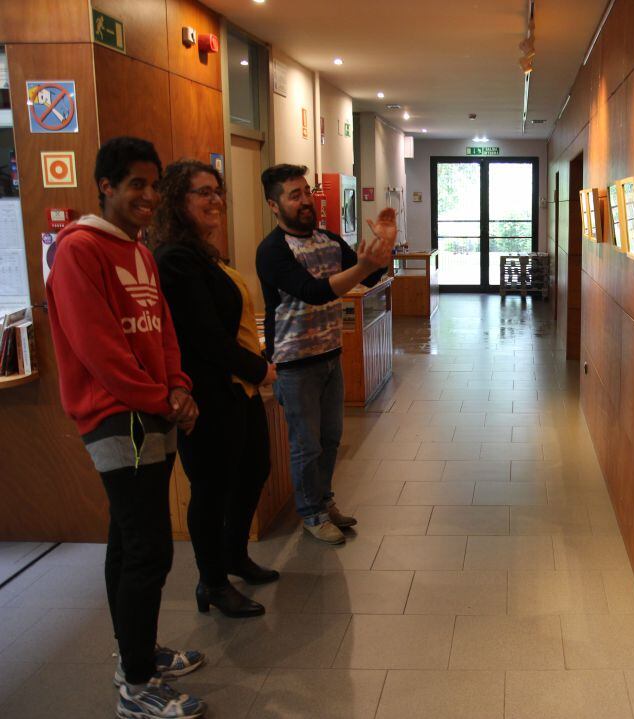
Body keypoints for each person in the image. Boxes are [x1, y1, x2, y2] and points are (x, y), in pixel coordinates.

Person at [45, 137, 206, 719]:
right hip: (117, 417)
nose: (148, 195)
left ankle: (136, 652)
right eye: (136, 183)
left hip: (155, 409)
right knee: (149, 549)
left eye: (154, 184)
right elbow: (99, 349)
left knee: (128, 538)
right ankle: (136, 685)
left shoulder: (138, 249)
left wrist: (178, 384)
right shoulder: (79, 250)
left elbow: (161, 329)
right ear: (106, 186)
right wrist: (162, 397)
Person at [151, 160, 279, 619]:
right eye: (202, 192)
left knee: (253, 469)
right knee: (211, 488)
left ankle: (233, 555)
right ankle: (212, 582)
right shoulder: (174, 259)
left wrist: (252, 371)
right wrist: (260, 368)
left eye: (217, 191)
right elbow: (203, 336)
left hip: (238, 389)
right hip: (206, 394)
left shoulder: (203, 254)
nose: (215, 200)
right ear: (176, 201)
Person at [255, 164, 395, 544]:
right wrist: (364, 265)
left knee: (331, 438)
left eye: (306, 192)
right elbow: (314, 292)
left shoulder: (329, 241)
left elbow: (369, 277)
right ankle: (311, 514)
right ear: (273, 204)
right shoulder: (272, 251)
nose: (305, 201)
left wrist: (382, 253)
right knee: (307, 444)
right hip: (294, 363)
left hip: (330, 354)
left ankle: (324, 501)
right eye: (294, 195)